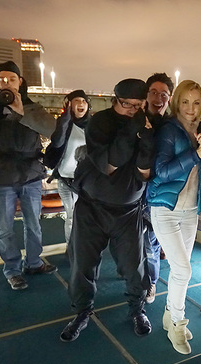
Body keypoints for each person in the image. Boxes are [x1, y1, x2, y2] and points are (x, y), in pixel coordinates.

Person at [60, 78, 154, 342]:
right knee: (82, 264)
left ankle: (137, 309)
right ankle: (82, 312)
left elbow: (145, 173)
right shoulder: (100, 122)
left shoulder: (147, 124)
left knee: (134, 266)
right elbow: (109, 164)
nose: (133, 111)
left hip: (129, 210)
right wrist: (133, 131)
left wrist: (146, 141)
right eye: (128, 105)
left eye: (139, 105)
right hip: (92, 206)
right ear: (115, 100)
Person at [147, 80, 201, 354]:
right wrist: (194, 153)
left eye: (197, 102)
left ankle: (170, 316)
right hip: (165, 209)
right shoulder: (168, 130)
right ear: (177, 102)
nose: (191, 108)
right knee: (183, 270)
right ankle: (177, 323)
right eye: (186, 102)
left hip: (190, 211)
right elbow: (162, 171)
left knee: (181, 270)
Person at [0, 61, 57, 291]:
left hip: (31, 174)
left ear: (20, 81)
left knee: (34, 224)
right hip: (3, 176)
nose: (7, 83)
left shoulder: (33, 107)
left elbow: (52, 129)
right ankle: (12, 270)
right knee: (5, 227)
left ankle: (34, 263)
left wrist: (22, 113)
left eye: (11, 79)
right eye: (2, 79)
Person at [142, 72, 174, 304]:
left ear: (169, 99)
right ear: (146, 95)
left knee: (151, 243)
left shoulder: (172, 127)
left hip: (157, 194)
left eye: (164, 94)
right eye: (153, 92)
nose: (158, 98)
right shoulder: (135, 121)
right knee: (131, 244)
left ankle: (151, 283)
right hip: (132, 192)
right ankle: (135, 278)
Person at [44, 90, 91, 243]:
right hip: (67, 180)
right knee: (72, 217)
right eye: (77, 100)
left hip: (87, 180)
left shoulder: (93, 126)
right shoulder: (65, 124)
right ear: (69, 104)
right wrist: (65, 119)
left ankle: (85, 248)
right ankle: (72, 249)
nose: (81, 104)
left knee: (88, 217)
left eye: (84, 101)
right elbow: (57, 142)